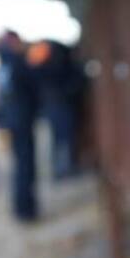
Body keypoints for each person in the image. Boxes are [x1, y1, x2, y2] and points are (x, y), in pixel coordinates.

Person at [0, 29, 40, 221]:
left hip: (11, 120)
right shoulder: (18, 62)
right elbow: (33, 89)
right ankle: (26, 209)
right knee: (25, 165)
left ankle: (21, 207)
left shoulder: (3, 65)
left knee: (19, 165)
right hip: (22, 120)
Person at [29, 40, 85, 179]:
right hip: (59, 105)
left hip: (54, 105)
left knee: (60, 138)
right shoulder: (57, 65)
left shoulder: (46, 65)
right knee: (63, 138)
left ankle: (61, 169)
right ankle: (62, 169)